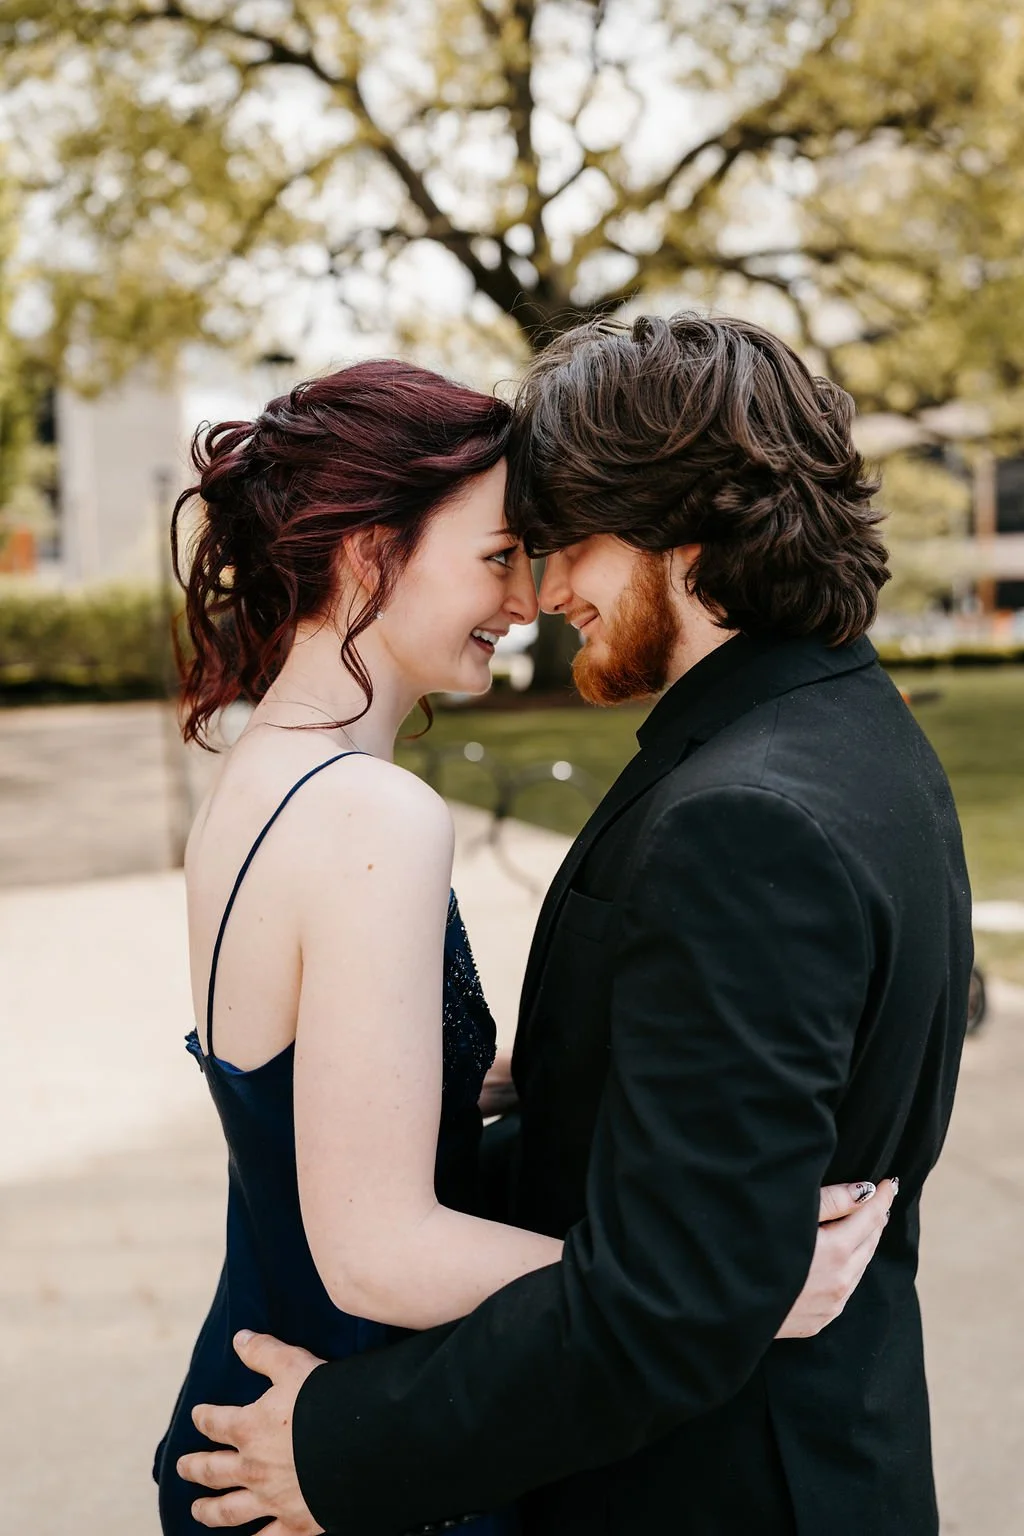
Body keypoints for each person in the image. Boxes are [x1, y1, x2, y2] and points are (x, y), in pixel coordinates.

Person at [155, 353, 885, 1536]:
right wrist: (723, 1290)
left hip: (259, 1385)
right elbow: (378, 1253)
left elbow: (311, 1089)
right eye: (498, 556)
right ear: (366, 551)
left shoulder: (264, 781)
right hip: (337, 1429)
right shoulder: (370, 812)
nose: (525, 599)